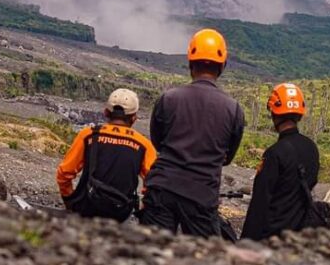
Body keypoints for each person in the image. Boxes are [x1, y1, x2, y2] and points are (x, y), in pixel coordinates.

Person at [139, 28, 245, 237]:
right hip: (201, 196)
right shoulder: (233, 109)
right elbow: (227, 157)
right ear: (222, 65)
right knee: (203, 256)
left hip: (162, 189)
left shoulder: (168, 99)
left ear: (190, 62)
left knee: (151, 254)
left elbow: (158, 142)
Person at [56, 88, 156, 222]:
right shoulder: (144, 145)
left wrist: (69, 201)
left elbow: (64, 173)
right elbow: (154, 184)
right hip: (120, 212)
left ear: (106, 112)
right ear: (134, 118)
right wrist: (143, 208)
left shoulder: (88, 135)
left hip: (86, 208)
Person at [241, 82, 322, 241]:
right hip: (299, 237)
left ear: (274, 113)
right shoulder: (312, 148)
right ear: (299, 114)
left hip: (272, 237)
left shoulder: (275, 153)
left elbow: (260, 203)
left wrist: (245, 242)